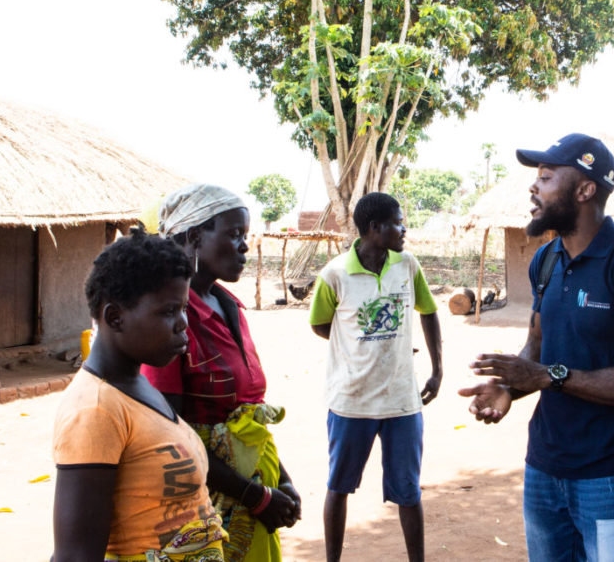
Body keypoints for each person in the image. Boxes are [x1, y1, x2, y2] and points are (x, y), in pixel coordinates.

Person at [459, 133, 614, 562]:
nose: (533, 187)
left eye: (545, 176)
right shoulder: (545, 260)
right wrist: (511, 387)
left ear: (585, 189)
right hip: (543, 466)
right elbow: (538, 345)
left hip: (610, 474)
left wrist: (545, 377)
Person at [144, 184, 301, 562]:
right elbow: (170, 436)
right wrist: (254, 495)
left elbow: (249, 413)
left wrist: (281, 477)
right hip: (203, 508)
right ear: (195, 236)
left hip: (255, 493)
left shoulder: (230, 307)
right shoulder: (169, 319)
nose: (244, 246)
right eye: (233, 234)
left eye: (244, 235)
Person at [52, 229, 228, 562]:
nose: (182, 325)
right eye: (167, 312)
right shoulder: (95, 409)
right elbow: (75, 555)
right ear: (115, 317)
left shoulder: (138, 386)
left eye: (184, 309)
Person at [308, 192, 443, 562]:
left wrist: (437, 369)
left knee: (408, 491)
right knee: (339, 486)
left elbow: (428, 312)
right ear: (374, 228)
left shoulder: (407, 265)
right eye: (398, 222)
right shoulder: (334, 274)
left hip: (402, 401)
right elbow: (322, 325)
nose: (404, 229)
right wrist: (361, 343)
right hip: (352, 401)